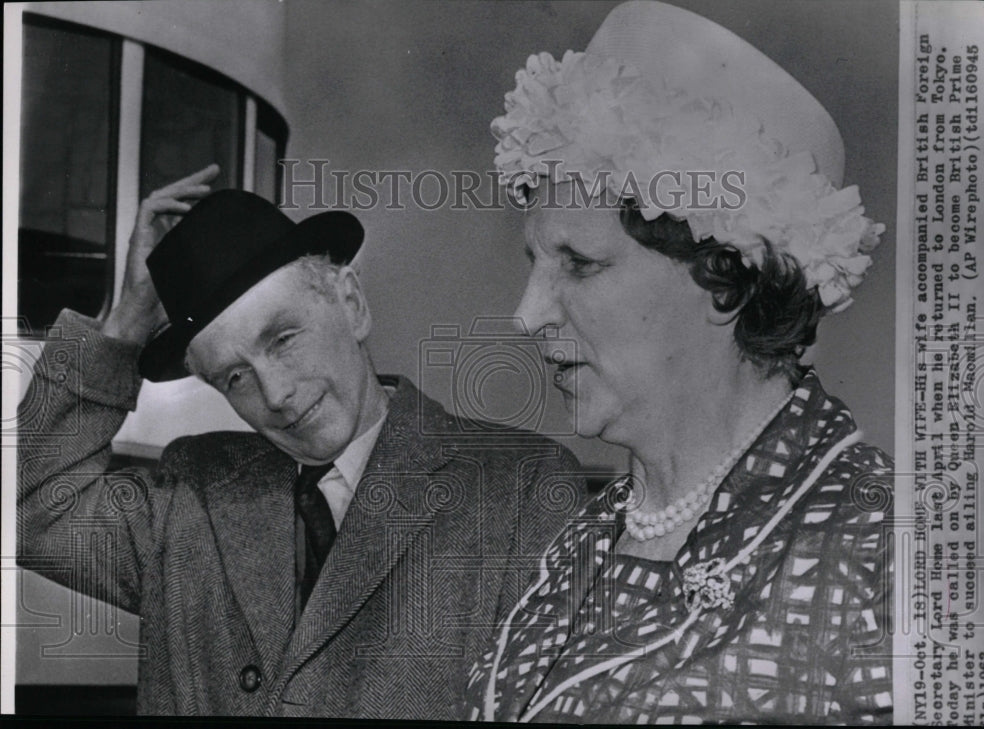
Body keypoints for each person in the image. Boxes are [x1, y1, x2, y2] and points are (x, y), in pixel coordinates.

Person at [17, 166, 584, 717]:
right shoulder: (188, 491)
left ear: (352, 304)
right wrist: (124, 326)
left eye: (284, 339)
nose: (278, 394)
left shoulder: (517, 487)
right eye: (234, 377)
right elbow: (25, 509)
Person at [465, 1, 892, 723]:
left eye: (580, 263)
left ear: (724, 275)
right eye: (536, 262)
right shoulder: (589, 532)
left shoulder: (878, 551)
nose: (527, 313)